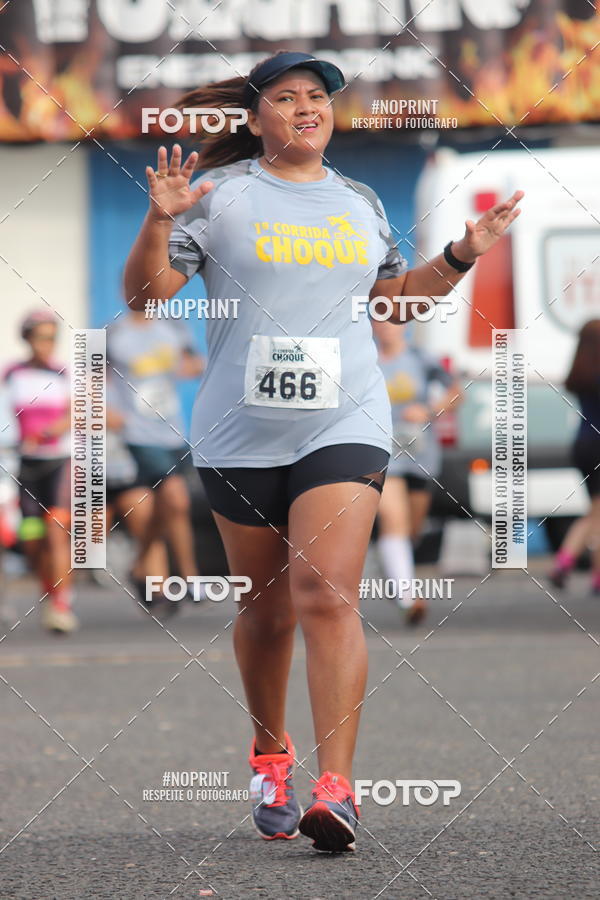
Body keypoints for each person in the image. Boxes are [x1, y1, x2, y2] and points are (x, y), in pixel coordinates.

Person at [123, 49, 523, 852]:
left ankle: (336, 790)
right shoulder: (222, 199)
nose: (308, 107)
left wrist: (461, 255)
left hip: (344, 422)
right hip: (239, 431)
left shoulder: (361, 202)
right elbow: (144, 297)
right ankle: (271, 753)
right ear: (255, 116)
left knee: (325, 593)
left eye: (319, 97)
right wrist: (161, 217)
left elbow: (392, 302)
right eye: (288, 96)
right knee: (264, 610)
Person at [106, 309, 205, 615]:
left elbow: (195, 363)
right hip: (136, 433)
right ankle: (190, 578)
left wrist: (187, 367)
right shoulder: (114, 334)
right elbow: (92, 378)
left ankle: (140, 566)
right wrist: (105, 410)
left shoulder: (173, 326)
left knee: (161, 508)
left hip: (172, 431)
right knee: (175, 497)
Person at [372, 319, 462, 624]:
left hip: (419, 453)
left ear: (404, 327)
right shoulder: (365, 359)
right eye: (379, 321)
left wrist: (431, 410)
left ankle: (394, 570)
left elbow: (456, 392)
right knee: (392, 518)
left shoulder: (421, 359)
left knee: (412, 528)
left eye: (392, 322)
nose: (385, 327)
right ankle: (407, 598)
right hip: (383, 453)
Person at [3, 310, 77, 633]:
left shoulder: (65, 372)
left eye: (51, 337)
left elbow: (78, 410)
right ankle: (49, 587)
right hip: (26, 466)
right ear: (28, 339)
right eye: (39, 337)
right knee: (32, 538)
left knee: (56, 530)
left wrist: (53, 430)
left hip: (59, 462)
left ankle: (61, 605)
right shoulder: (13, 374)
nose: (45, 344)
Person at [550, 319, 600, 593]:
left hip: (582, 445)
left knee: (595, 512)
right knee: (596, 514)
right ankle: (565, 562)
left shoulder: (580, 374)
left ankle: (591, 573)